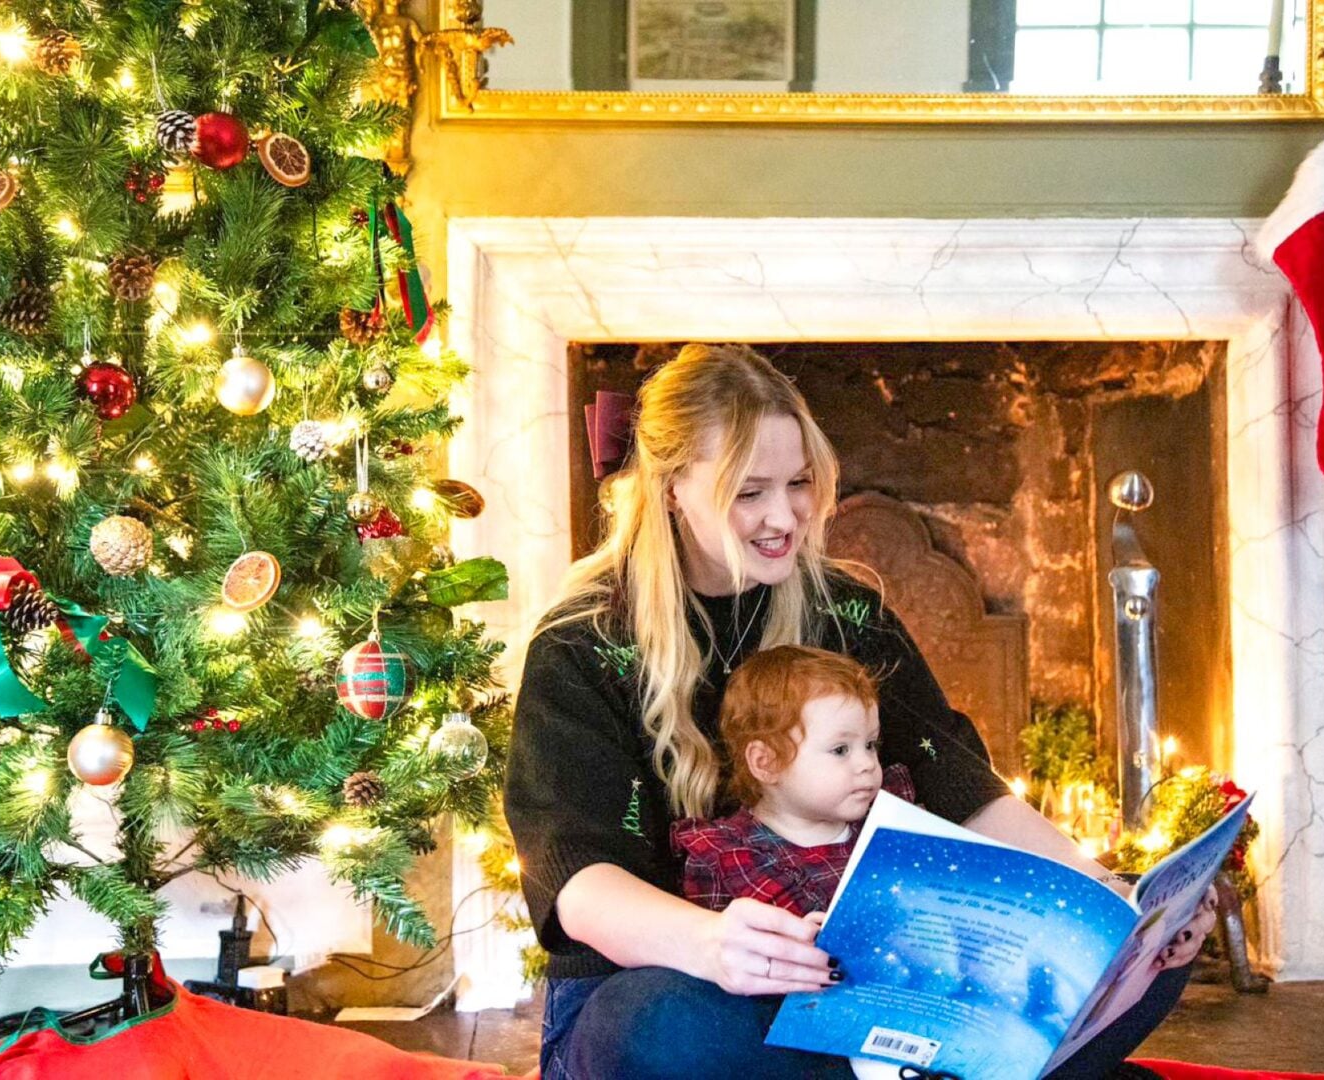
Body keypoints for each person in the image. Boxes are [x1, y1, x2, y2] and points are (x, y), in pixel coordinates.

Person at [504, 343, 1216, 1080]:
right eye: (749, 493)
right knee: (654, 1028)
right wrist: (713, 945)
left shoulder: (845, 611)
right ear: (671, 489)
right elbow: (578, 881)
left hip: (867, 996)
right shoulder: (584, 643)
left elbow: (962, 789)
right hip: (682, 985)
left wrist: (1105, 895)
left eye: (800, 483)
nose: (785, 516)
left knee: (1151, 963)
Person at [671, 645, 915, 919]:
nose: (867, 763)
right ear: (767, 763)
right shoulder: (730, 858)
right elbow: (720, 952)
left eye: (870, 744)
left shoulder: (887, 822)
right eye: (840, 750)